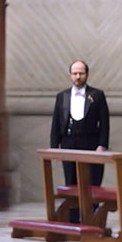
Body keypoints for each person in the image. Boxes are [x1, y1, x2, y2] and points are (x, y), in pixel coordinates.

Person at [50, 59, 110, 188]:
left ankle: (93, 208)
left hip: (90, 142)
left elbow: (105, 122)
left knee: (92, 180)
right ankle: (73, 208)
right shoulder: (62, 96)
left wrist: (102, 145)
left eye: (81, 73)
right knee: (71, 180)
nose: (78, 77)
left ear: (87, 74)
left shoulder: (97, 95)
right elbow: (56, 122)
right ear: (70, 75)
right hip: (68, 142)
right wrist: (54, 147)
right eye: (75, 73)